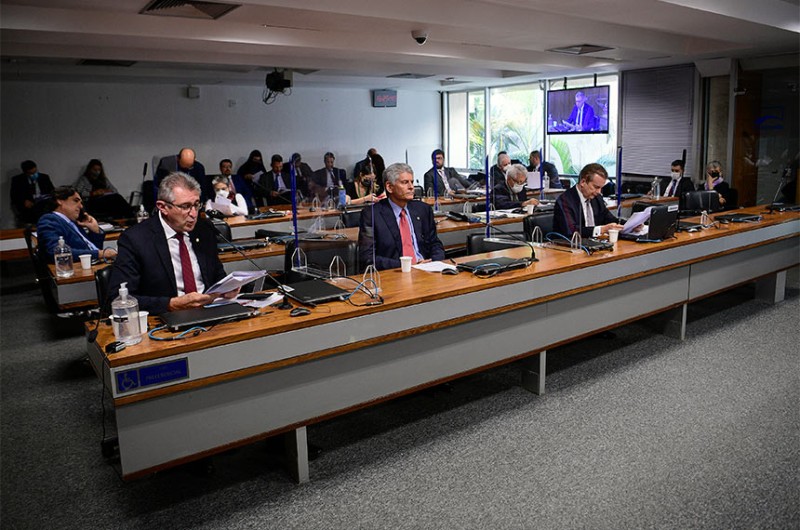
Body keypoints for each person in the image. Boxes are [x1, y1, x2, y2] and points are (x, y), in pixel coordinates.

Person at [108, 173, 236, 314]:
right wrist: (171, 304)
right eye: (185, 206)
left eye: (196, 205)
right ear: (163, 207)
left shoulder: (204, 229)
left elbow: (216, 274)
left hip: (209, 310)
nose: (193, 214)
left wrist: (225, 288)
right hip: (166, 317)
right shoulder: (135, 239)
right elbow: (117, 298)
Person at [358, 162, 444, 270]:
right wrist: (407, 266)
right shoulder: (372, 214)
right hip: (395, 273)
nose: (411, 187)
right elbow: (367, 257)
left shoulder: (423, 209)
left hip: (426, 270)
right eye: (405, 182)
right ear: (389, 187)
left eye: (412, 182)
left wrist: (433, 261)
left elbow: (435, 244)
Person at [36, 186, 116, 262]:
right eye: (76, 201)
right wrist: (100, 254)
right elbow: (55, 251)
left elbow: (92, 249)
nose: (81, 206)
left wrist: (95, 230)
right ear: (60, 201)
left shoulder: (74, 223)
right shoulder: (49, 220)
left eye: (81, 202)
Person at [553, 163, 624, 238]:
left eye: (601, 188)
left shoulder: (597, 198)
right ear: (583, 182)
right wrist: (602, 229)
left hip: (594, 244)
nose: (599, 192)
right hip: (570, 246)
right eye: (596, 187)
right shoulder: (565, 200)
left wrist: (629, 225)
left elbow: (610, 219)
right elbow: (571, 231)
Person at [10, 160, 55, 225]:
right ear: (26, 173)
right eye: (31, 173)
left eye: (35, 172)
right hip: (29, 207)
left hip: (44, 205)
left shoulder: (44, 177)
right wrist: (23, 201)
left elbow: (52, 191)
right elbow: (14, 196)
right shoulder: (17, 180)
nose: (34, 175)